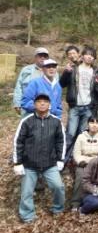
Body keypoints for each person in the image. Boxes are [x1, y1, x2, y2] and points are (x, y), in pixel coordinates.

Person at [13, 93, 66, 223]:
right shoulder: (27, 121)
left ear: (49, 105)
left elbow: (61, 141)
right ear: (34, 105)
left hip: (50, 163)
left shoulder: (56, 121)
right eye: (39, 102)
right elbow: (18, 142)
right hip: (30, 164)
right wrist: (17, 162)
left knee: (58, 187)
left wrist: (60, 159)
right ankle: (27, 215)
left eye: (45, 101)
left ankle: (58, 209)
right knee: (26, 192)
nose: (42, 104)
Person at [71, 116, 98, 211]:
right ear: (88, 124)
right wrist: (81, 162)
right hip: (83, 163)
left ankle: (97, 198)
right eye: (92, 122)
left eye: (97, 123)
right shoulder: (81, 137)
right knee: (81, 175)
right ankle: (76, 203)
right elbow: (76, 153)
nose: (94, 125)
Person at [59, 46, 98, 144]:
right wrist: (66, 73)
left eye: (92, 56)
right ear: (82, 56)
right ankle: (65, 157)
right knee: (70, 133)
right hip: (75, 106)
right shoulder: (73, 69)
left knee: (83, 134)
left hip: (88, 107)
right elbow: (62, 84)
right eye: (87, 55)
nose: (89, 57)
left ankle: (77, 157)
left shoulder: (96, 71)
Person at [13, 47, 49, 116]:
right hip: (27, 108)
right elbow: (19, 87)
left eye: (45, 56)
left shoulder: (52, 71)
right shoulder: (26, 70)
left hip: (46, 108)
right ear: (35, 57)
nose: (43, 58)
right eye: (40, 56)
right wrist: (17, 103)